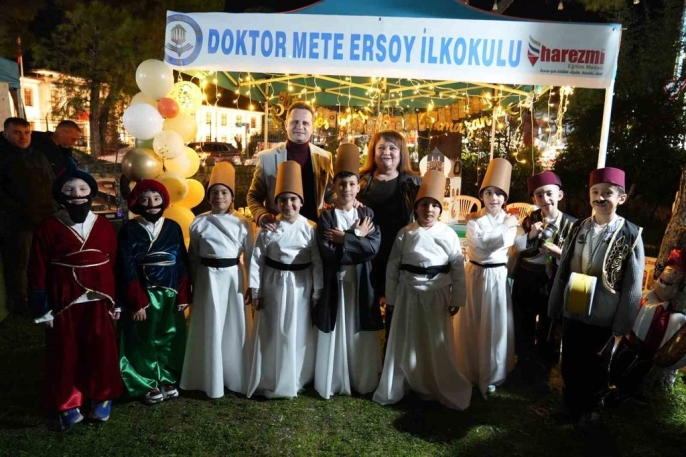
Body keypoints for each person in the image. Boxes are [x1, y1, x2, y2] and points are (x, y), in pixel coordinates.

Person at [28, 160, 123, 429]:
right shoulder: (48, 227)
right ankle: (68, 401)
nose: (77, 195)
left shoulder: (103, 225)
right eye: (69, 190)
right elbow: (37, 269)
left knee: (101, 350)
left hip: (99, 301)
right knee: (65, 352)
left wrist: (117, 301)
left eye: (82, 189)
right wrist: (42, 307)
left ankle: (102, 396)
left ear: (91, 193)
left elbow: (114, 264)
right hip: (64, 302)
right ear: (60, 194)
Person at [548, 167, 644, 430]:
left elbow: (633, 285)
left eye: (607, 193)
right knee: (571, 358)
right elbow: (563, 267)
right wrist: (555, 304)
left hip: (604, 313)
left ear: (621, 198)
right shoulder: (579, 226)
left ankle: (592, 407)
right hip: (573, 308)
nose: (600, 198)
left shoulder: (631, 234)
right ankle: (570, 401)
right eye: (595, 192)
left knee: (596, 363)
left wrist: (622, 323)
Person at [373, 170, 471, 410]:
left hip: (437, 294)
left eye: (434, 205)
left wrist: (457, 298)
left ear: (440, 210)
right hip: (408, 293)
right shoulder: (405, 233)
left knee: (435, 339)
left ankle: (433, 381)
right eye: (424, 204)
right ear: (416, 208)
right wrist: (392, 298)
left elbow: (457, 268)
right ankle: (406, 379)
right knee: (408, 336)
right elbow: (393, 267)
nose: (429, 210)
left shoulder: (448, 234)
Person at [247, 161, 323, 399]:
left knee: (298, 328)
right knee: (274, 328)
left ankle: (298, 375)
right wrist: (256, 289)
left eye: (293, 199)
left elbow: (317, 261)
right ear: (276, 202)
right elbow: (257, 259)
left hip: (301, 285)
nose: (288, 205)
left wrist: (317, 291)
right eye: (282, 200)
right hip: (273, 284)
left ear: (301, 202)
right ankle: (271, 373)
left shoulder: (310, 228)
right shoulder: (269, 228)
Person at [313, 143, 382, 400]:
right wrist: (357, 237)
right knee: (338, 322)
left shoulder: (366, 213)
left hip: (360, 280)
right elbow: (327, 252)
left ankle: (359, 376)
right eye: (342, 184)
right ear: (334, 186)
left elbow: (372, 248)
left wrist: (345, 238)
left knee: (357, 325)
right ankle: (336, 377)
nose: (347, 189)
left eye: (352, 184)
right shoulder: (326, 217)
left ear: (358, 187)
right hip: (337, 280)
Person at [180, 163, 255, 398]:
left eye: (224, 192)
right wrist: (191, 284)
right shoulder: (199, 222)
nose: (219, 197)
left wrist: (252, 284)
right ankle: (207, 376)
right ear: (208, 196)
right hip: (206, 278)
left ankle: (235, 375)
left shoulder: (243, 223)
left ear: (232, 197)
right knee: (208, 323)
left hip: (233, 278)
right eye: (214, 192)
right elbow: (193, 257)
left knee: (233, 324)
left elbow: (250, 256)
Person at [117, 180, 191, 405]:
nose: (152, 204)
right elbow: (126, 265)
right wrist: (136, 301)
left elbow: (181, 261)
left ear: (164, 201)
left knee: (170, 335)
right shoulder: (129, 229)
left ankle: (168, 377)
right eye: (145, 200)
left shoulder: (173, 227)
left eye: (156, 199)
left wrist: (183, 294)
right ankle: (146, 381)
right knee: (143, 338)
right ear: (137, 202)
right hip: (144, 294)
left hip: (170, 292)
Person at [454, 158, 518, 398]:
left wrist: (503, 230)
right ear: (482, 195)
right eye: (488, 193)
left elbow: (504, 242)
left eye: (498, 194)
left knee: (494, 322)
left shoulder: (507, 220)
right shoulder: (474, 219)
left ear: (505, 198)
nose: (493, 198)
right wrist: (505, 227)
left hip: (497, 276)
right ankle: (469, 368)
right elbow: (481, 246)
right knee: (472, 320)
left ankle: (491, 372)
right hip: (475, 273)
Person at [510, 171, 576, 393]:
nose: (545, 199)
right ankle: (524, 364)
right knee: (523, 322)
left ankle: (544, 370)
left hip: (552, 280)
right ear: (533, 199)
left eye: (549, 193)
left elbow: (578, 258)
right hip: (527, 276)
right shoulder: (529, 220)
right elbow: (517, 249)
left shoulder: (572, 225)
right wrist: (530, 236)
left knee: (550, 325)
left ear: (560, 195)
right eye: (539, 195)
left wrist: (560, 254)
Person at [356, 130, 421, 351]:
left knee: (397, 310)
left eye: (393, 148)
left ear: (402, 153)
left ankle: (392, 355)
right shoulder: (360, 181)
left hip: (399, 256)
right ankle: (367, 356)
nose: (387, 152)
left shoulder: (414, 182)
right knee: (367, 309)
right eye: (381, 147)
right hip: (367, 257)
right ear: (373, 152)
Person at [605, 249, 686, 407]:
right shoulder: (646, 299)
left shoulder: (672, 314)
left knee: (640, 364)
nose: (664, 281)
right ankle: (614, 390)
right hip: (633, 339)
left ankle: (623, 393)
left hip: (648, 346)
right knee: (624, 358)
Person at [0, 117, 56, 315]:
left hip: (45, 218)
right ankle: (20, 302)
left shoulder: (37, 155)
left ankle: (41, 294)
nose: (23, 137)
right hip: (18, 223)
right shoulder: (3, 157)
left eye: (27, 133)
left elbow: (51, 181)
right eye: (17, 133)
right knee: (20, 263)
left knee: (42, 259)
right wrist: (16, 211)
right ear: (6, 133)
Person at [247, 101, 333, 228]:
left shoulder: (325, 157)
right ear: (286, 124)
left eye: (305, 123)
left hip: (314, 230)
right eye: (295, 122)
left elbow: (331, 194)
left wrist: (351, 201)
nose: (300, 127)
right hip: (278, 230)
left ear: (312, 127)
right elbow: (254, 196)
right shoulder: (267, 158)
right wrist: (261, 214)